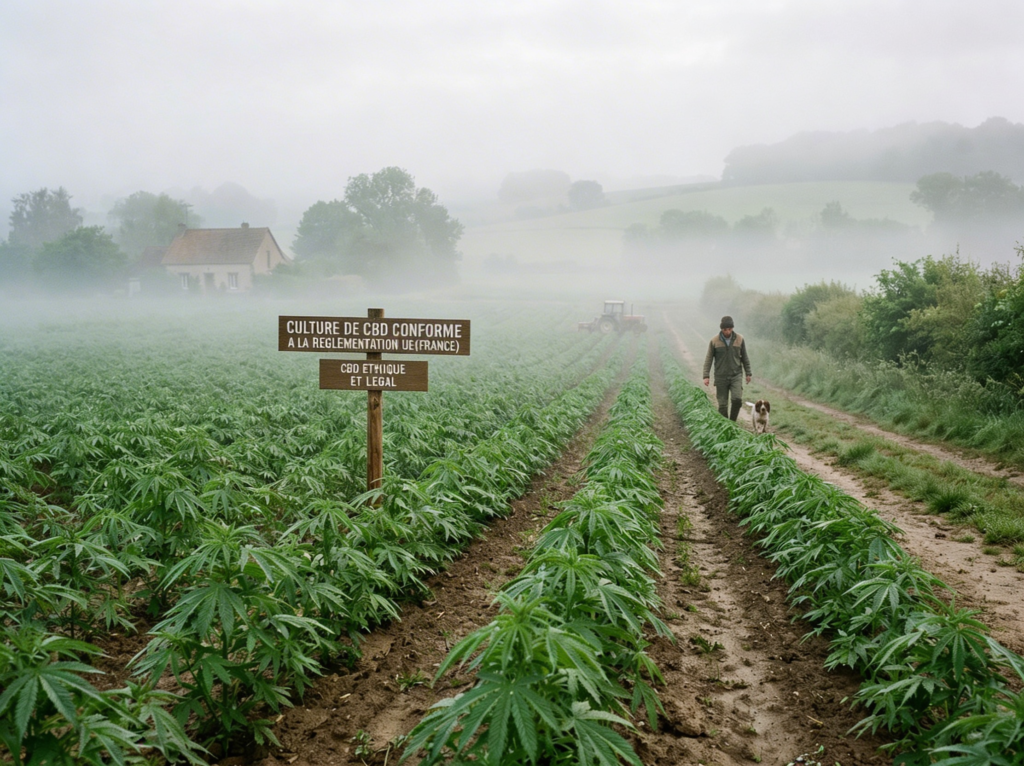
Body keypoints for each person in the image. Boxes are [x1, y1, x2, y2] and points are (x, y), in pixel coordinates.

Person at [702, 315, 752, 420]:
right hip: (721, 377)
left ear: (732, 328)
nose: (727, 332)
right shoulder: (714, 341)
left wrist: (748, 373)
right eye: (725, 329)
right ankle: (725, 424)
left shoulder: (740, 339)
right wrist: (706, 376)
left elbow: (745, 357)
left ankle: (732, 422)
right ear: (721, 329)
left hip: (736, 375)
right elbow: (709, 359)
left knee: (737, 399)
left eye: (729, 329)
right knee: (723, 405)